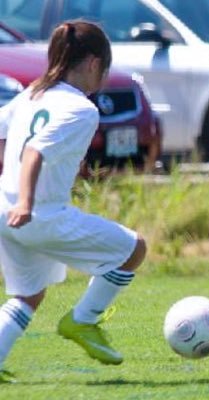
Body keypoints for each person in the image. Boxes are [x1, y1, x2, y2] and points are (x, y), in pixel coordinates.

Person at [0, 20, 146, 382]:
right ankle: (83, 320)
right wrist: (27, 202)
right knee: (134, 249)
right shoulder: (82, 109)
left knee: (28, 296)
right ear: (95, 63)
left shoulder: (34, 93)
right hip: (38, 214)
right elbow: (35, 151)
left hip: (5, 211)